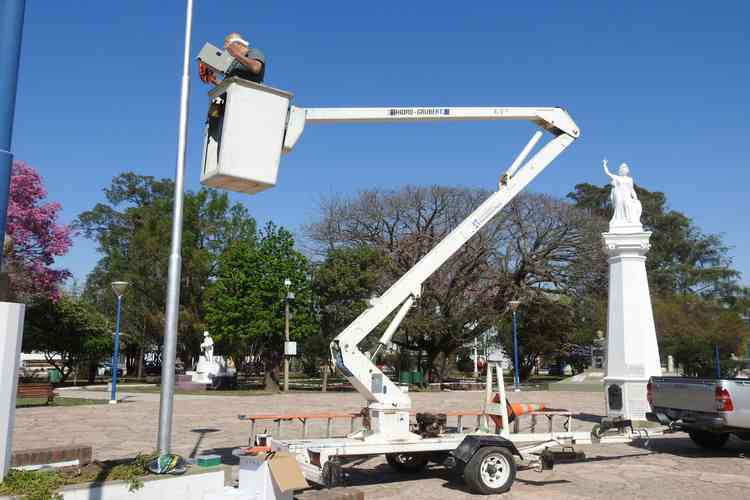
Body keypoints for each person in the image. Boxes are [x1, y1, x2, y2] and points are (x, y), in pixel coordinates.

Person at [199, 32, 266, 85]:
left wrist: (235, 54)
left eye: (227, 46)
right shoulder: (234, 63)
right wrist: (213, 80)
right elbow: (227, 86)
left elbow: (256, 67)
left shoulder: (253, 52)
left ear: (237, 43)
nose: (226, 50)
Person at [602, 159, 642, 225]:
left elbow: (631, 189)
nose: (624, 169)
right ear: (620, 170)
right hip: (619, 194)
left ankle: (629, 219)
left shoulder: (630, 179)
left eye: (625, 168)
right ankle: (619, 220)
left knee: (627, 205)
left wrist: (635, 197)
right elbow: (608, 173)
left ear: (627, 170)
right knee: (619, 205)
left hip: (627, 194)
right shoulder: (617, 177)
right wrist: (604, 165)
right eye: (622, 168)